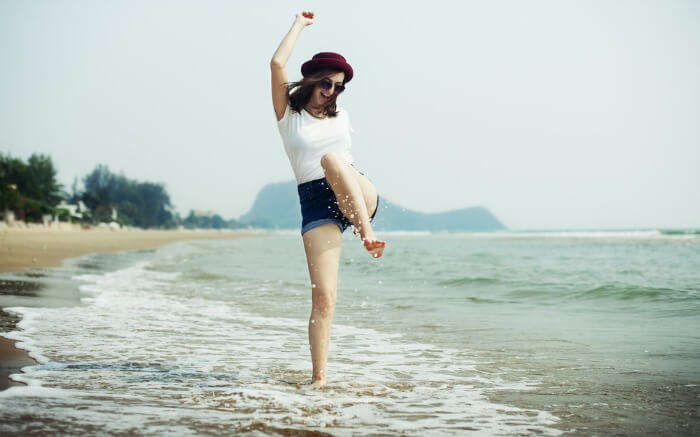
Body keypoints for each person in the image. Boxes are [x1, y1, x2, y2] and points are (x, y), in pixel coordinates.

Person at [270, 10, 387, 389]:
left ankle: (366, 233)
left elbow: (339, 164)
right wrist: (300, 25)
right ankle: (319, 380)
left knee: (333, 159)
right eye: (326, 83)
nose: (331, 91)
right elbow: (276, 63)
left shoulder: (341, 117)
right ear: (310, 80)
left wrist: (361, 220)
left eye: (338, 87)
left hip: (356, 190)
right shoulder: (289, 115)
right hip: (316, 203)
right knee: (324, 297)